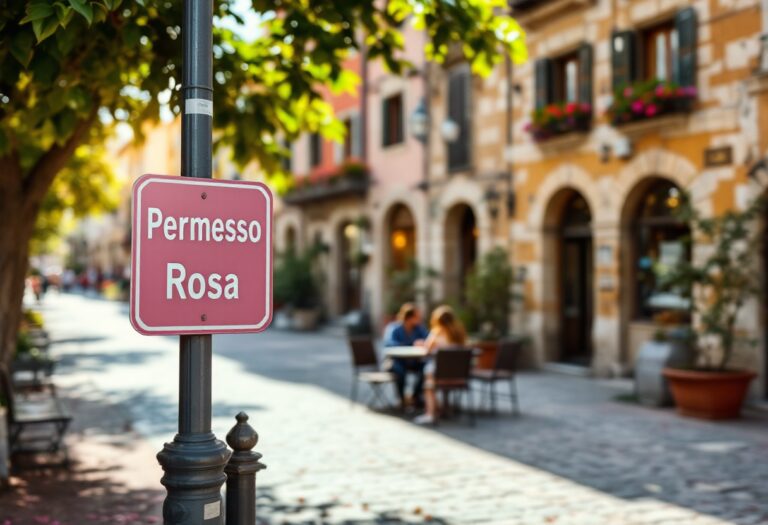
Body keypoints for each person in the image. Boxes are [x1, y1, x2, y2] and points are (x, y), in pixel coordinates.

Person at [414, 305, 467, 425]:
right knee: (431, 374)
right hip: (460, 373)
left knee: (428, 384)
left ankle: (430, 413)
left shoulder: (436, 333)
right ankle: (443, 408)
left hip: (441, 373)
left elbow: (427, 350)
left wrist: (422, 344)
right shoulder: (459, 332)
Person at [383, 303, 429, 408]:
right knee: (399, 371)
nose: (420, 319)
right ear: (410, 317)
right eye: (417, 316)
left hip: (414, 361)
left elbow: (428, 339)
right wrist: (411, 344)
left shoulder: (418, 328)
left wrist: (423, 342)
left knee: (426, 369)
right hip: (397, 361)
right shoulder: (394, 328)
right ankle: (402, 399)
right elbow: (389, 344)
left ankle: (415, 397)